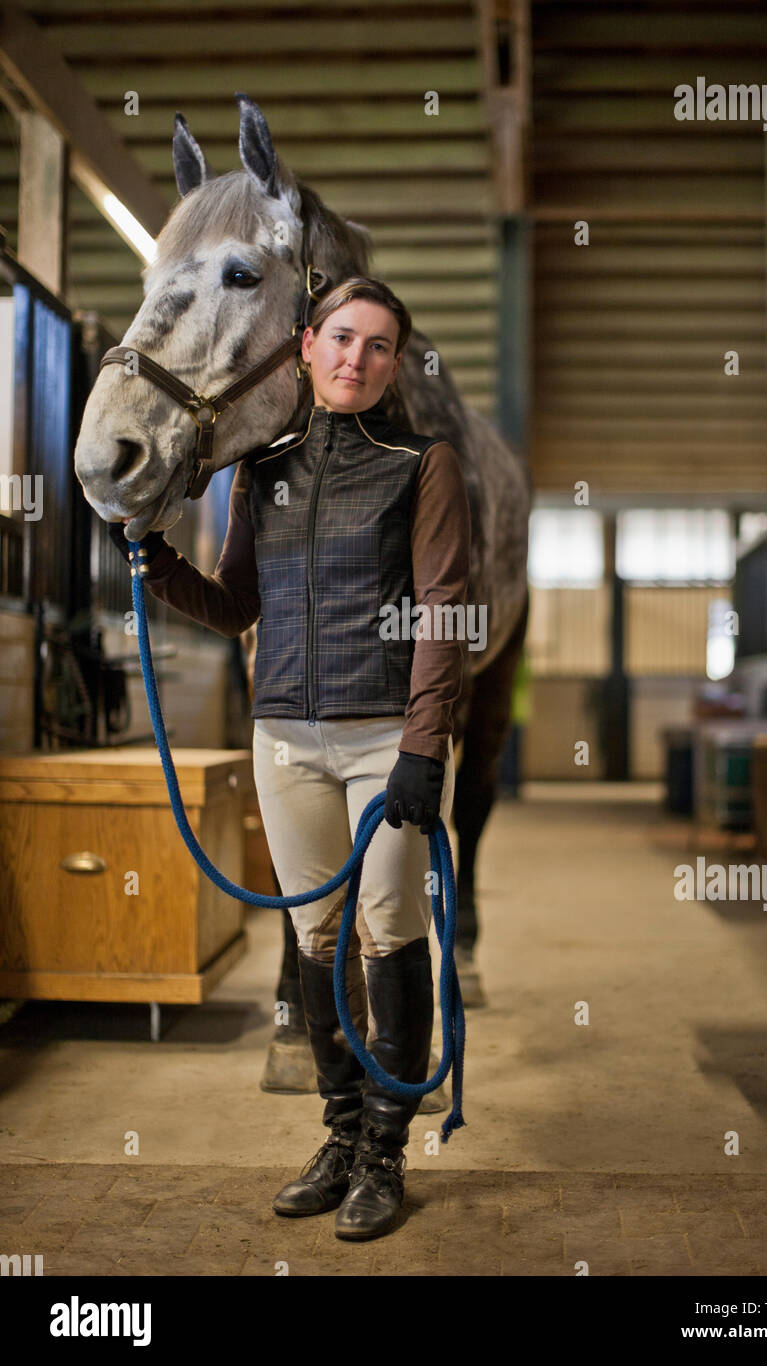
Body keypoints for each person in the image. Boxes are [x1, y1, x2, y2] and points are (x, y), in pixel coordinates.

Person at [107, 276, 471, 1242]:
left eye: (379, 346)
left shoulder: (421, 464)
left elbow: (444, 611)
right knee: (315, 940)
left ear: (395, 364)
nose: (357, 358)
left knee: (387, 932)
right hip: (286, 738)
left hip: (386, 737)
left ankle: (387, 1154)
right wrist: (163, 567)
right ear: (306, 346)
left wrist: (425, 747)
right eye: (342, 339)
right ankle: (341, 1134)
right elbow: (237, 607)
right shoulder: (257, 472)